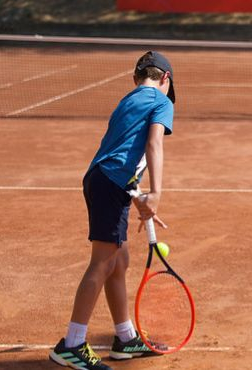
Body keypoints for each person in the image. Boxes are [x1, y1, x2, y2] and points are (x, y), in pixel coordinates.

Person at [49, 51, 176, 370]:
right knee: (103, 263)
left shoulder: (127, 101)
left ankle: (126, 339)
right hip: (109, 184)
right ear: (165, 79)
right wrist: (156, 193)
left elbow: (118, 156)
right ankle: (72, 344)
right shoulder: (162, 102)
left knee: (119, 260)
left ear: (136, 79)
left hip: (103, 180)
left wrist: (136, 198)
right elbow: (153, 145)